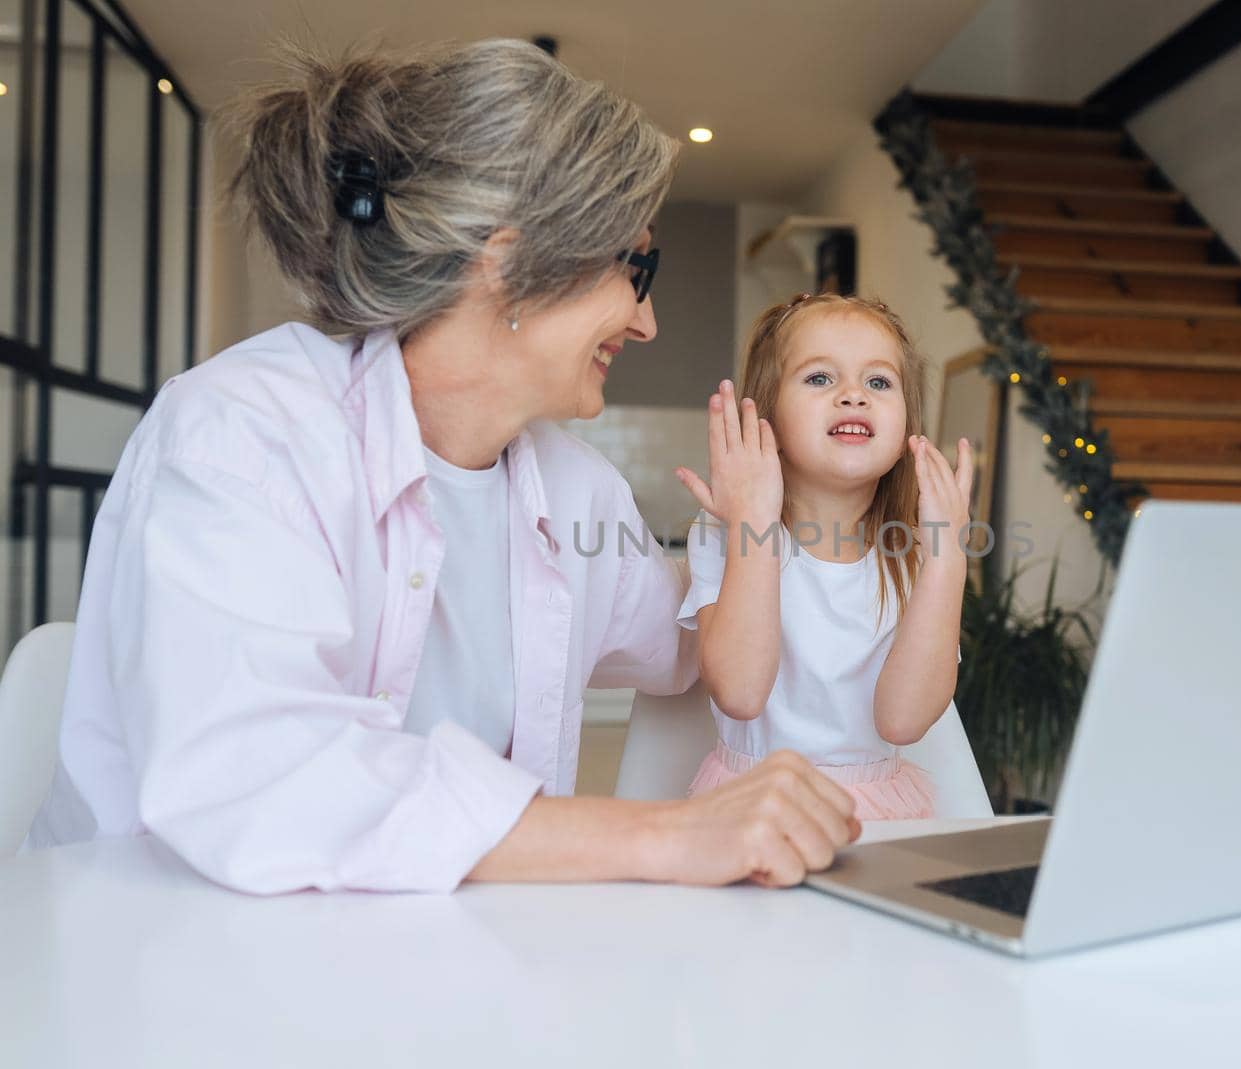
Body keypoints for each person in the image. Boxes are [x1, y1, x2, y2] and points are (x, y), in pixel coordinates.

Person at [26, 40, 857, 893]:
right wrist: (663, 835)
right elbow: (260, 772)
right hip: (162, 967)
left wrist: (827, 535)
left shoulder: (574, 488)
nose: (644, 323)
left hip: (444, 977)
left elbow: (692, 643)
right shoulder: (242, 434)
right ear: (506, 262)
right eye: (634, 268)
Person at [673, 294, 973, 819]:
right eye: (819, 379)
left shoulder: (916, 549)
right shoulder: (723, 531)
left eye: (878, 382)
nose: (854, 396)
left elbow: (902, 723)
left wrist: (946, 561)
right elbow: (740, 693)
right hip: (752, 805)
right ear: (767, 419)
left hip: (876, 811)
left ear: (908, 425)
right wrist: (754, 524)